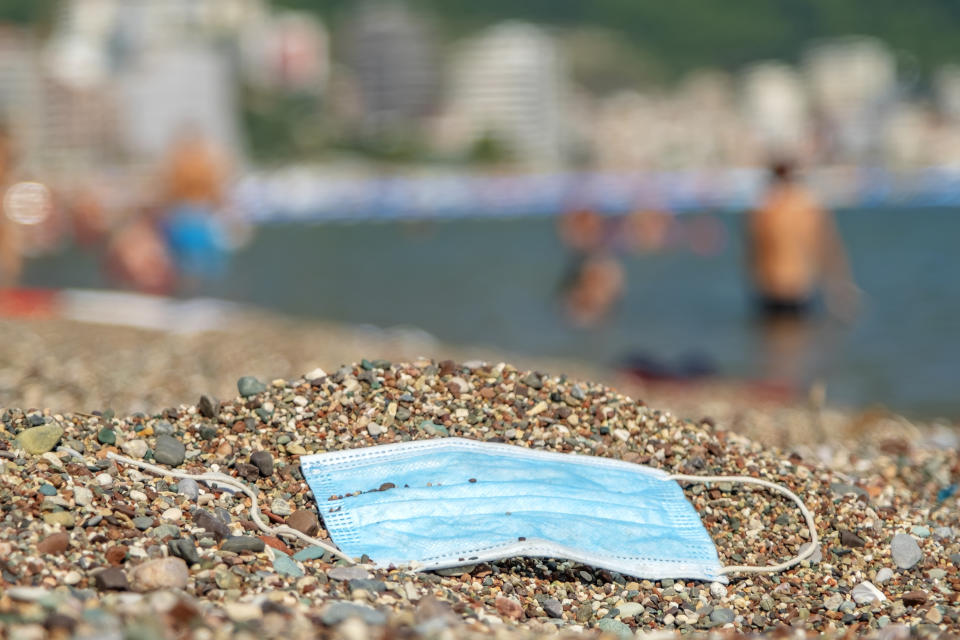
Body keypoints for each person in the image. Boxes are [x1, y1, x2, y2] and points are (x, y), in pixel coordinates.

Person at [747, 159, 857, 321]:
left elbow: (754, 254)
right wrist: (840, 285)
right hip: (800, 286)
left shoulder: (764, 211)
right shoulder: (808, 210)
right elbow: (829, 249)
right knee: (800, 339)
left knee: (773, 339)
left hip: (771, 287)